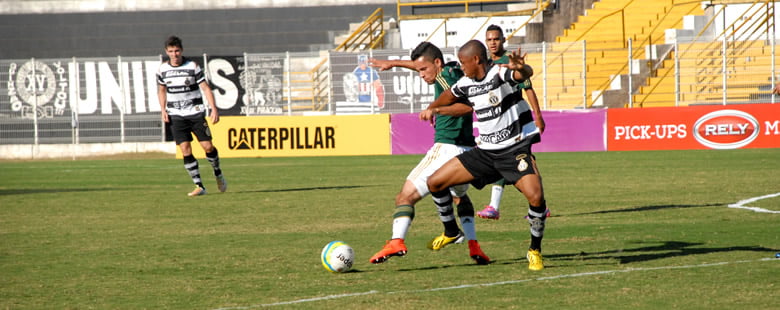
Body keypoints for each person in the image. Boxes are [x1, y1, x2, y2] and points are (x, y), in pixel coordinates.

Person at [420, 40, 549, 270]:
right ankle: (451, 231)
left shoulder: (500, 74)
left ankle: (534, 250)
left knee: (536, 198)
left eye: (463, 62)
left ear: (476, 60)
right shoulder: (465, 83)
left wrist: (521, 68)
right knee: (435, 182)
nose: (461, 66)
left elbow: (523, 76)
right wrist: (433, 108)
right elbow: (450, 95)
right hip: (485, 153)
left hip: (513, 150)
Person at [368, 42, 490, 265]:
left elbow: (467, 106)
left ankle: (397, 241)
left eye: (423, 70)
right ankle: (473, 245)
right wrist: (393, 63)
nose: (421, 75)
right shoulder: (452, 69)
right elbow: (420, 65)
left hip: (447, 148)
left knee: (405, 196)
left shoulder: (445, 79)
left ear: (437, 63)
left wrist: (436, 109)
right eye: (418, 70)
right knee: (459, 195)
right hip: (467, 149)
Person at [477, 24, 547, 220]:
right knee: (522, 165)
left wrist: (538, 116)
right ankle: (541, 205)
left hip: (517, 121)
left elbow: (528, 88)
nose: (492, 43)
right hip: (498, 120)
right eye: (489, 39)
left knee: (507, 160)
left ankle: (494, 206)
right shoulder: (485, 63)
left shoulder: (510, 61)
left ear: (503, 40)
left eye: (496, 39)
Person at [157, 35, 227, 196]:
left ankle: (217, 172)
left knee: (207, 147)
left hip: (195, 112)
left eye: (177, 51)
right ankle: (199, 186)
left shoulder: (192, 66)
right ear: (166, 52)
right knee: (185, 149)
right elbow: (161, 90)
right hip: (176, 114)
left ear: (181, 50)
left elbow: (206, 88)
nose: (174, 54)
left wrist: (214, 108)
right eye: (171, 51)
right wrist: (163, 109)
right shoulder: (162, 70)